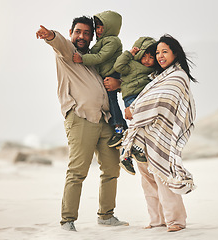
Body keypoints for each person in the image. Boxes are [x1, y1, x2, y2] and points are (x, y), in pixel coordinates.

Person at [35, 16, 128, 232]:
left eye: (87, 33)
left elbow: (112, 82)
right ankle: (67, 220)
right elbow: (58, 42)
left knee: (112, 168)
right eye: (78, 32)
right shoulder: (67, 53)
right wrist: (50, 35)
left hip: (105, 119)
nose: (82, 36)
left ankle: (106, 215)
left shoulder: (95, 58)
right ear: (71, 32)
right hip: (80, 118)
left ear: (92, 37)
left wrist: (119, 84)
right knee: (78, 171)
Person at [120, 34, 197, 232]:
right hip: (145, 133)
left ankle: (176, 221)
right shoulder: (157, 77)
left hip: (161, 133)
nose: (160, 56)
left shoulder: (178, 76)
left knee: (163, 177)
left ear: (175, 53)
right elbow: (149, 96)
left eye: (165, 52)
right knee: (148, 181)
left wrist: (134, 110)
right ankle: (156, 220)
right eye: (157, 53)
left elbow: (164, 101)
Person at [73, 10, 127, 149]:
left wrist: (82, 59)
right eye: (97, 27)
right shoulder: (102, 41)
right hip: (106, 75)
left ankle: (120, 129)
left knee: (112, 101)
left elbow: (100, 57)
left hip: (112, 75)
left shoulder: (113, 41)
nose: (99, 30)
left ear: (111, 27)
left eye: (102, 26)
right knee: (110, 101)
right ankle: (124, 129)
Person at [113, 37, 156, 175]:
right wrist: (129, 54)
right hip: (131, 97)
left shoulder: (153, 69)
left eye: (151, 57)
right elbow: (118, 66)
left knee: (141, 126)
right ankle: (127, 154)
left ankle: (133, 152)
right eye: (144, 56)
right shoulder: (131, 64)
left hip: (143, 98)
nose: (147, 60)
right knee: (136, 124)